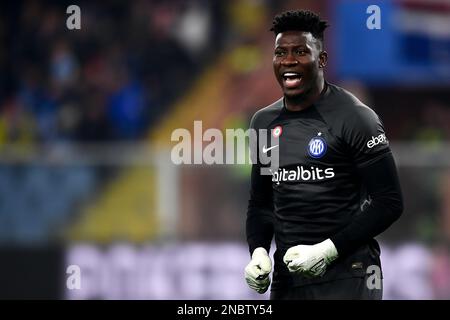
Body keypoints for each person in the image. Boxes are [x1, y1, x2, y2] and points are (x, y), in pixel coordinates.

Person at [244, 10, 403, 300]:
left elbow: (389, 202)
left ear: (322, 60)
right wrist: (258, 252)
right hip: (288, 280)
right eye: (281, 53)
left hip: (351, 275)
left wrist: (326, 251)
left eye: (300, 52)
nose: (288, 61)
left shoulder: (355, 117)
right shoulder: (263, 123)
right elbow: (261, 204)